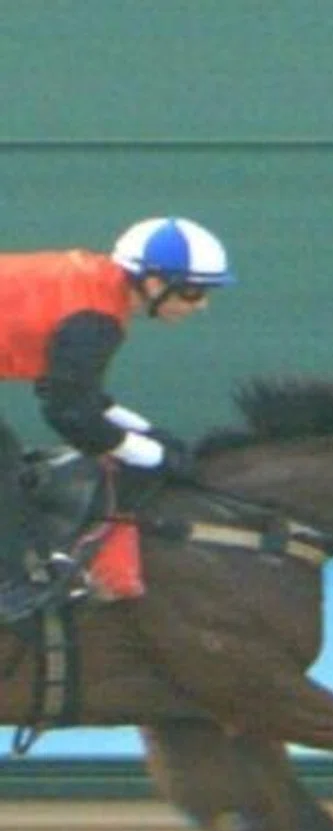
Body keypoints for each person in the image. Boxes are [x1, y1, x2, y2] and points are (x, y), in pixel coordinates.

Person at [0, 217, 232, 622]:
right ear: (155, 283)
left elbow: (74, 395)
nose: (202, 305)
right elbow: (69, 414)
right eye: (194, 292)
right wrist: (150, 456)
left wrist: (144, 433)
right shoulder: (94, 318)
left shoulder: (95, 289)